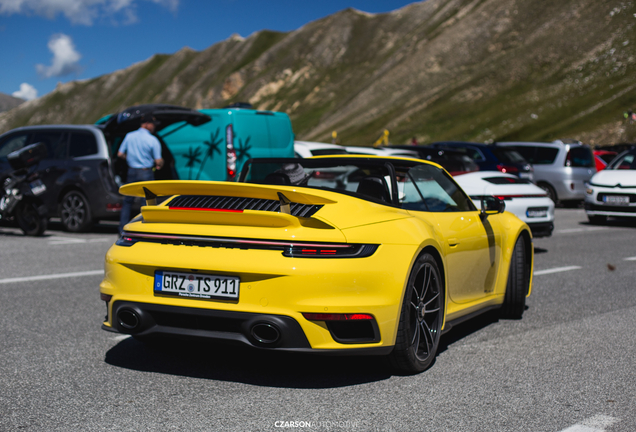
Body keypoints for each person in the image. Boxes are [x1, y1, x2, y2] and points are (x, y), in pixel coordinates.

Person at [117, 113, 163, 234]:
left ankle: (122, 229)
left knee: (127, 202)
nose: (154, 127)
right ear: (147, 124)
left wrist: (130, 159)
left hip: (132, 171)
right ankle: (146, 229)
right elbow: (158, 160)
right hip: (146, 172)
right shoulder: (152, 140)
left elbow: (120, 154)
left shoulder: (129, 136)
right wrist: (160, 163)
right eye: (153, 125)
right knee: (147, 203)